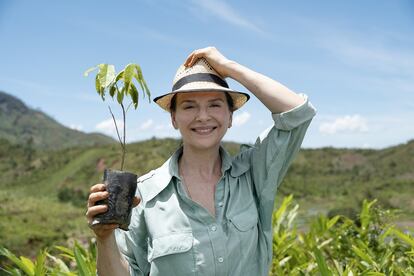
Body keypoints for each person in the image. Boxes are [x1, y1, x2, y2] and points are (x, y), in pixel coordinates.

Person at [86, 46, 316, 276]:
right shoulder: (144, 196)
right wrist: (105, 238)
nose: (203, 116)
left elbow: (297, 112)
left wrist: (229, 67)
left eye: (215, 104)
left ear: (230, 116)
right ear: (174, 118)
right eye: (189, 106)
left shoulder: (253, 173)